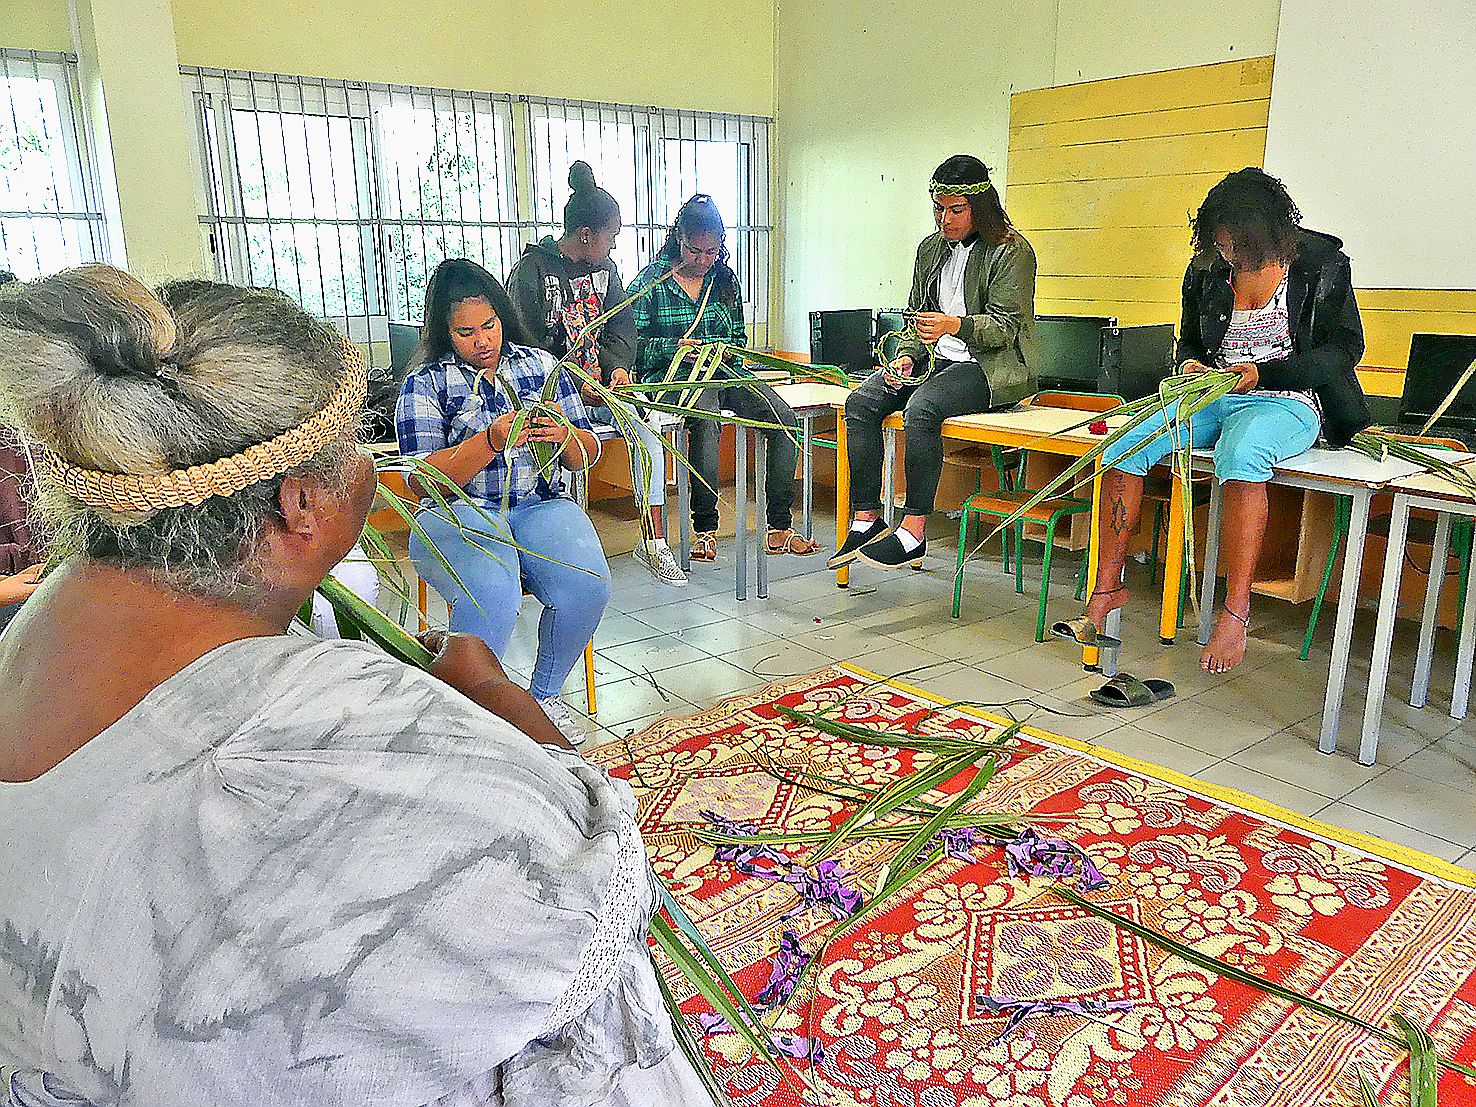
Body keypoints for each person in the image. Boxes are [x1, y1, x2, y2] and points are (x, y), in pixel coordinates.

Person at [0, 265, 708, 1105]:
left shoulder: (37, 627)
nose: (366, 463)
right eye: (353, 444)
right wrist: (498, 708)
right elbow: (602, 899)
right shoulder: (348, 727)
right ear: (301, 503)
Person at [1059, 167, 1370, 674]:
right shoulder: (1207, 267)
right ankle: (1108, 587)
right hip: (1212, 395)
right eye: (1220, 243)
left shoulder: (1320, 264)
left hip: (1289, 398)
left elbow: (1344, 350)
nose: (1227, 256)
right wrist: (1189, 365)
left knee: (1241, 453)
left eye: (1236, 245)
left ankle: (1235, 611)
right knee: (1123, 446)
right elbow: (1190, 340)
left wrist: (1264, 372)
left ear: (1267, 232)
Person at [397, 258, 610, 740]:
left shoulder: (541, 366)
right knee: (493, 592)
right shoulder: (425, 384)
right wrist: (490, 440)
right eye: (466, 332)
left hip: (535, 504)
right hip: (456, 511)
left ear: (503, 316)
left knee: (587, 585)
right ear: (445, 333)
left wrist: (566, 437)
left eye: (489, 325)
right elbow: (421, 479)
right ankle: (472, 716)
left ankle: (541, 699)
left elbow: (588, 453)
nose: (482, 341)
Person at [831, 154, 1038, 571]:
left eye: (956, 210)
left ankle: (913, 531)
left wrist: (955, 326)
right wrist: (906, 356)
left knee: (921, 409)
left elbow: (1006, 328)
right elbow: (915, 317)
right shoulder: (929, 249)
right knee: (861, 403)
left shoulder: (1011, 252)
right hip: (936, 360)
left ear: (980, 207)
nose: (945, 219)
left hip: (990, 368)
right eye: (938, 208)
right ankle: (867, 517)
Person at [508, 161, 687, 587]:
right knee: (559, 461)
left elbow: (622, 326)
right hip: (551, 399)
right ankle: (559, 553)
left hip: (602, 392)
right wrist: (573, 387)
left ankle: (653, 540)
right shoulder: (531, 272)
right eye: (611, 236)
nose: (613, 245)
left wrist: (619, 370)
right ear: (586, 234)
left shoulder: (608, 273)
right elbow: (525, 346)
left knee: (647, 431)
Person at [629, 194, 820, 561]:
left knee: (783, 418)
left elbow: (738, 338)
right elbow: (632, 345)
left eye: (711, 251)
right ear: (677, 239)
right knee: (706, 419)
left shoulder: (725, 280)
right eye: (694, 250)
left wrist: (724, 350)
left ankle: (779, 527)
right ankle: (705, 530)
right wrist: (677, 347)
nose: (702, 260)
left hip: (724, 371)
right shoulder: (653, 281)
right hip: (672, 378)